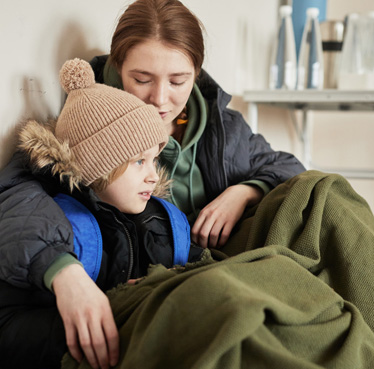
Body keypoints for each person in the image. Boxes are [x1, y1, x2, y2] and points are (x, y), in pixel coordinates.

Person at [0, 58, 197, 369]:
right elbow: (10, 327)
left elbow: (203, 267)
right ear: (97, 168)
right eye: (137, 162)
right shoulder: (63, 231)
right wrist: (109, 316)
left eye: (153, 161)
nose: (153, 176)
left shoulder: (163, 221)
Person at [89, 0, 306, 250]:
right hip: (177, 273)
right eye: (142, 79)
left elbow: (292, 169)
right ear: (118, 68)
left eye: (178, 82)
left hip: (234, 256)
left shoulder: (223, 125)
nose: (159, 99)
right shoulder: (91, 129)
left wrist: (243, 193)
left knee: (327, 192)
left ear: (196, 74)